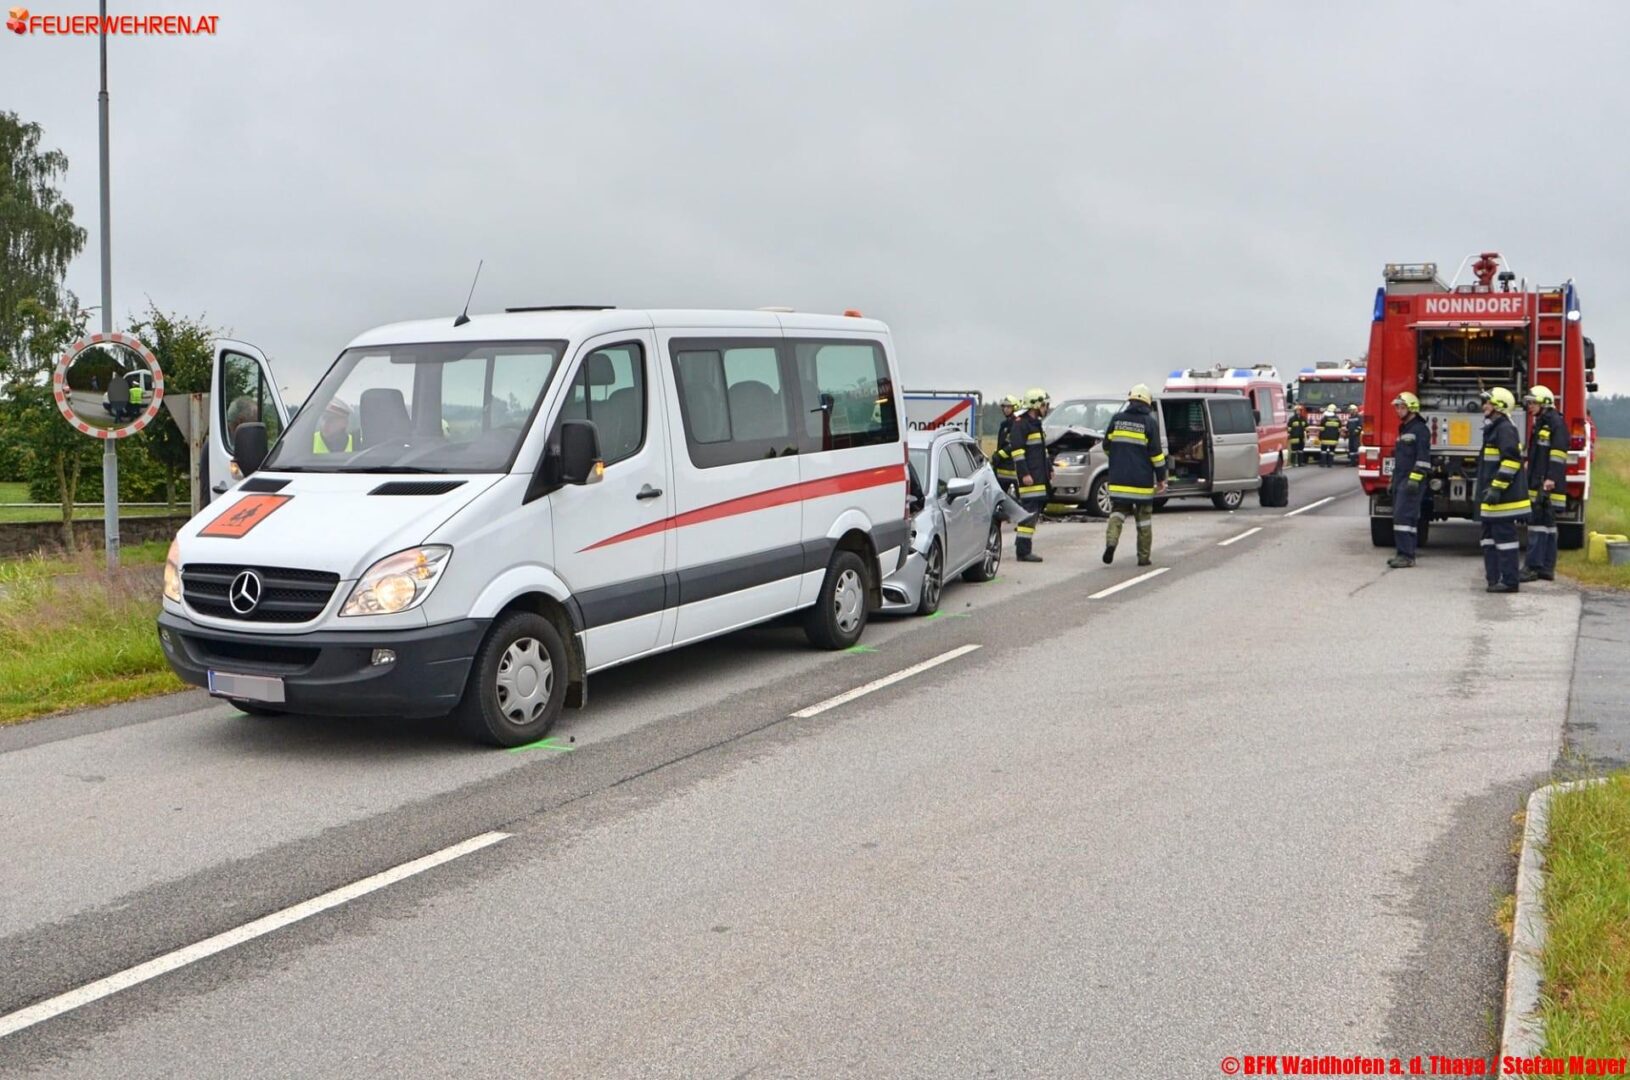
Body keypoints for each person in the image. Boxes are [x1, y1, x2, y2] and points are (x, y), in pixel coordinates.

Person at [1102, 384, 1168, 567]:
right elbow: (1156, 455)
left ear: (1130, 400)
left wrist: (1117, 459)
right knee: (1144, 521)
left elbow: (1106, 446)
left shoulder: (1116, 419)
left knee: (1117, 514)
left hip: (1118, 480)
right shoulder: (1149, 423)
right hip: (1141, 482)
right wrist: (1162, 478)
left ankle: (1111, 544)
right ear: (1147, 403)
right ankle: (1143, 558)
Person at [1477, 387, 1529, 593]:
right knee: (1488, 538)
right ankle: (1494, 578)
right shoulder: (1494, 428)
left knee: (1505, 539)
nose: (1484, 406)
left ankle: (1509, 581)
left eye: (1488, 403)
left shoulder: (1505, 429)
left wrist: (1497, 488)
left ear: (1499, 406)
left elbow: (1511, 462)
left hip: (1503, 499)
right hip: (1492, 498)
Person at [1520, 385, 1568, 583]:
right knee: (1548, 526)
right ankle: (1547, 568)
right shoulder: (1542, 423)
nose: (1530, 406)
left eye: (1533, 402)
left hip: (1546, 483)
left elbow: (1558, 455)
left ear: (1545, 404)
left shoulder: (1554, 424)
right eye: (1530, 402)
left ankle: (1532, 567)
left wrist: (1550, 479)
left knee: (1538, 526)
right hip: (1541, 481)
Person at [1386, 392, 1432, 568]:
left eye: (1402, 407)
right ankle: (1405, 553)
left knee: (1403, 516)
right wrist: (1392, 479)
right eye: (1397, 407)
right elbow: (1401, 459)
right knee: (1407, 518)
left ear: (1412, 408)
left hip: (1411, 480)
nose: (1398, 410)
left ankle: (1406, 555)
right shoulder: (1405, 428)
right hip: (1401, 478)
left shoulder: (1420, 429)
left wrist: (1414, 479)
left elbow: (1423, 458)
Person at [1011, 387, 1052, 563]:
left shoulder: (1036, 424)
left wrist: (1049, 469)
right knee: (1029, 513)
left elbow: (1042, 451)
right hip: (1030, 478)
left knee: (1034, 511)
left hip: (1039, 476)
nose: (1046, 407)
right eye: (1044, 404)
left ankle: (1022, 545)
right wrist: (1025, 474)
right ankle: (1023, 551)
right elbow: (1018, 454)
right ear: (1035, 405)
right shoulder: (1021, 424)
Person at [992, 395, 1020, 495]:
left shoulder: (1017, 423)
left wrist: (999, 455)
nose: (1006, 409)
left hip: (1013, 467)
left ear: (1015, 407)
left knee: (1018, 499)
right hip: (1003, 468)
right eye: (1004, 407)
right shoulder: (1005, 424)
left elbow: (1013, 444)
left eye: (1009, 407)